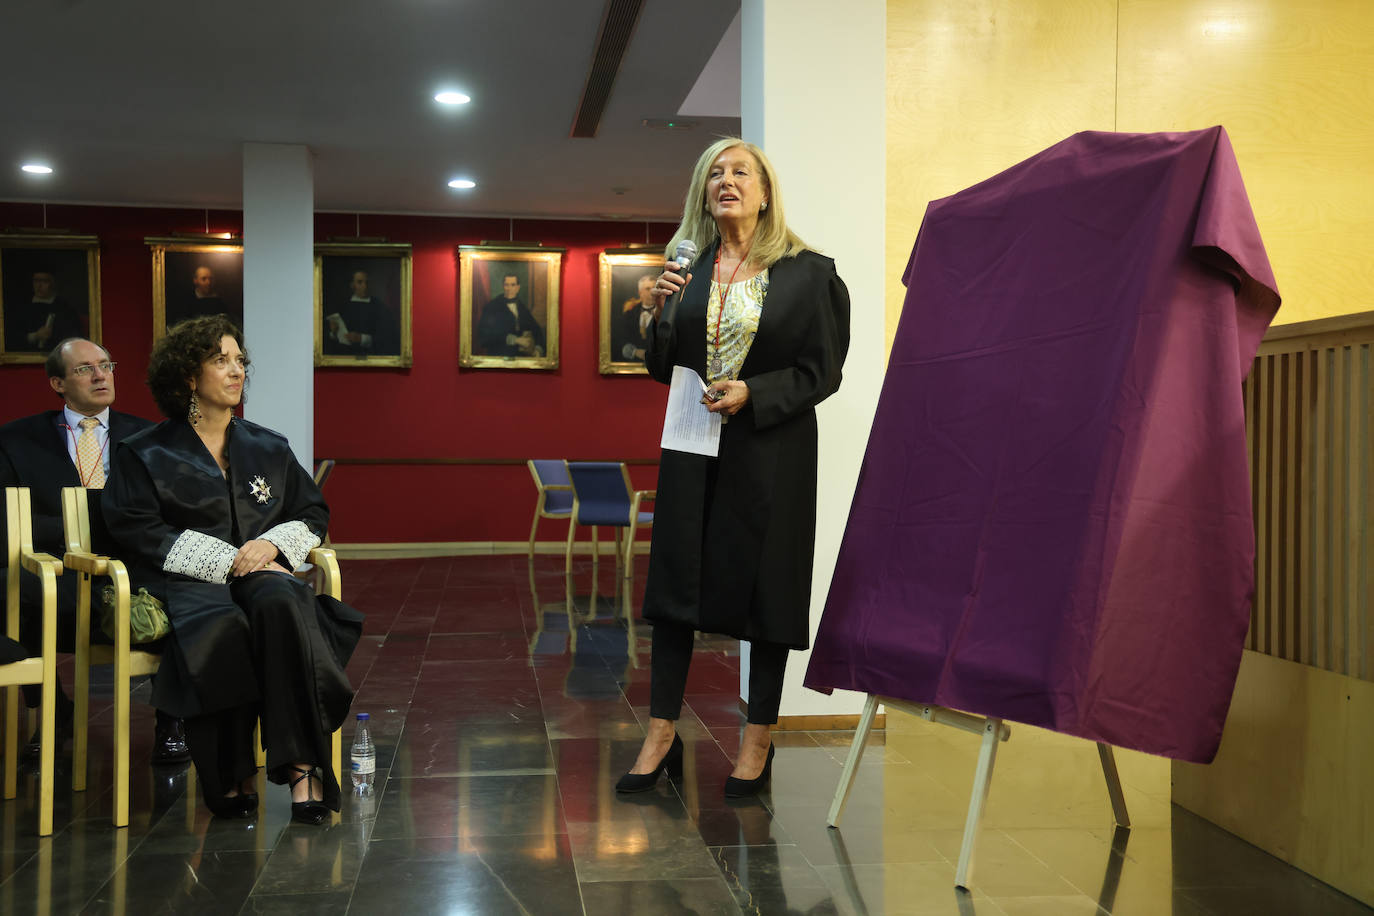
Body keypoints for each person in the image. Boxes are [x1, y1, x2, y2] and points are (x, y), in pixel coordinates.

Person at [617, 138, 850, 798]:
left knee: (765, 592)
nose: (727, 180)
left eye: (740, 171)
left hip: (769, 450)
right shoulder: (683, 272)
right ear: (701, 192)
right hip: (692, 446)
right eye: (714, 173)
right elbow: (664, 367)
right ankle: (661, 734)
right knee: (673, 589)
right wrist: (655, 314)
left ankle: (758, 738)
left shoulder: (810, 273)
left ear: (765, 190)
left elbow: (822, 370)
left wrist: (756, 394)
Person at [102, 316, 363, 822]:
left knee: (285, 603)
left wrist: (269, 545)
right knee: (226, 625)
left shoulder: (269, 446)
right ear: (186, 377)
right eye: (220, 360)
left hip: (264, 576)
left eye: (239, 360)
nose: (236, 370)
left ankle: (303, 764)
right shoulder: (145, 452)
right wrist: (230, 561)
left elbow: (312, 512)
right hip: (186, 583)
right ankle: (231, 772)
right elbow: (136, 527)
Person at [0, 338, 190, 764]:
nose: (101, 374)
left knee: (185, 588)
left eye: (107, 365)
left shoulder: (153, 438)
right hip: (57, 573)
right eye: (85, 369)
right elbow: (9, 521)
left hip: (134, 569)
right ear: (58, 383)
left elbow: (172, 514)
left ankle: (171, 719)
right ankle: (52, 709)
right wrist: (81, 532)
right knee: (12, 585)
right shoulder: (16, 440)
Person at [5, 268, 85, 353]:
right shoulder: (21, 307)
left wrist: (52, 335)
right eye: (36, 281)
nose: (39, 285)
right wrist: (35, 336)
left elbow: (73, 339)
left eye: (45, 281)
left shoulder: (64, 309)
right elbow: (10, 337)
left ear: (53, 283)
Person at [322, 269, 399, 356]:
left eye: (367, 282)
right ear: (352, 285)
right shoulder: (343, 306)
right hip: (345, 357)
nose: (365, 286)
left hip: (372, 357)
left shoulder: (379, 306)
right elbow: (329, 341)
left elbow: (388, 337)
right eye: (360, 282)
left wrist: (362, 339)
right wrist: (333, 333)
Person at [477, 273, 545, 357]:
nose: (509, 289)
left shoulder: (522, 307)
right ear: (503, 286)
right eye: (507, 285)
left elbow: (536, 329)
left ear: (518, 288)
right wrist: (515, 340)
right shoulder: (492, 306)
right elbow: (484, 336)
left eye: (513, 285)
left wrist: (538, 350)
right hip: (498, 355)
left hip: (520, 356)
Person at [614, 274, 657, 362]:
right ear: (640, 293)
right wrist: (635, 352)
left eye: (654, 288)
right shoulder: (629, 314)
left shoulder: (665, 313)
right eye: (648, 289)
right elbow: (620, 339)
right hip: (632, 363)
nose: (652, 291)